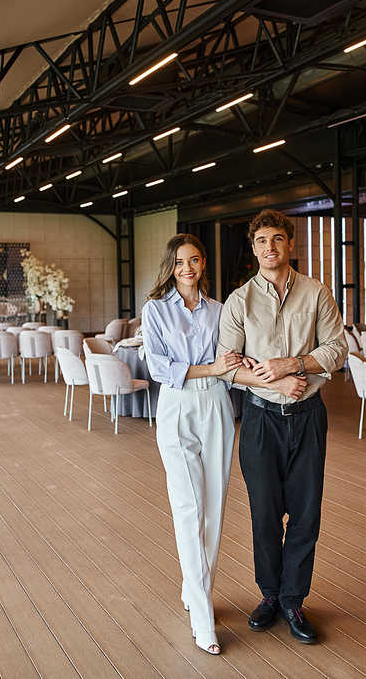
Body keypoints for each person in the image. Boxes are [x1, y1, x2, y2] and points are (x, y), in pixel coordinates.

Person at [217, 208, 347, 644]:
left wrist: (294, 364)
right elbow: (228, 367)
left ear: (290, 244)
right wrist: (277, 378)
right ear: (252, 249)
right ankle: (270, 594)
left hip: (308, 417)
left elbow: (337, 349)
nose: (268, 248)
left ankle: (294, 599)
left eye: (276, 239)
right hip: (259, 420)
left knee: (306, 515)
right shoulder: (239, 300)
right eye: (260, 241)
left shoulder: (317, 294)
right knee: (265, 515)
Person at [142, 233, 241, 655]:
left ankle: (194, 587)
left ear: (203, 265)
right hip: (177, 406)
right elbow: (159, 366)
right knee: (189, 507)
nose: (188, 268)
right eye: (180, 261)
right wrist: (209, 368)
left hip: (217, 405)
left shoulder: (220, 310)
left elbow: (230, 360)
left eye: (195, 260)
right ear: (171, 265)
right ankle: (202, 612)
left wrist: (223, 368)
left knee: (214, 506)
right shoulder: (154, 310)